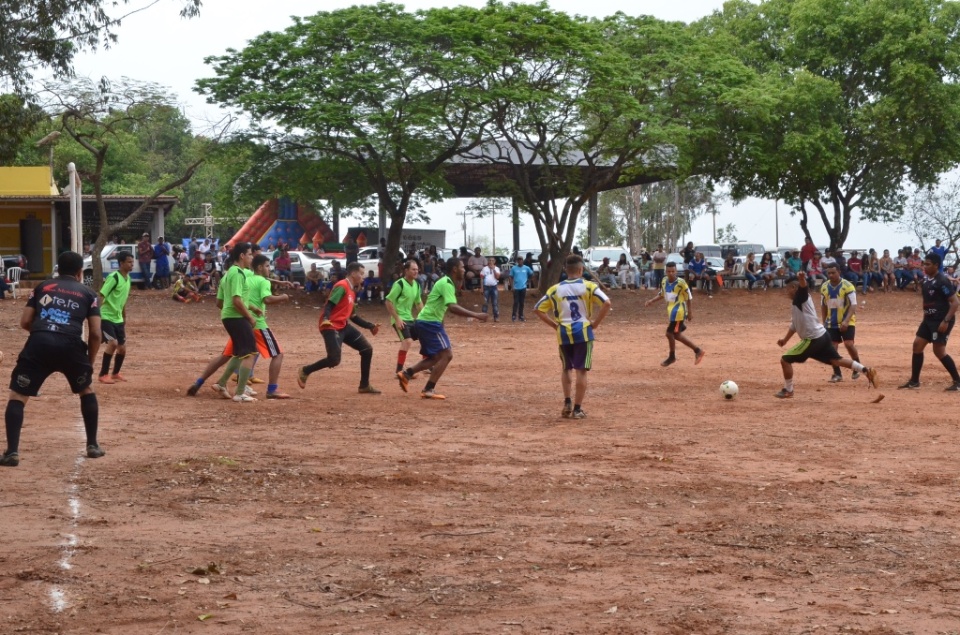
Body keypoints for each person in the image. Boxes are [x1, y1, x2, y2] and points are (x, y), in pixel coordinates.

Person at [1, 251, 105, 467]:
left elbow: (25, 322)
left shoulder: (42, 287)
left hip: (39, 343)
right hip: (71, 346)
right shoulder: (89, 294)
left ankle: (12, 452)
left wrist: (42, 333)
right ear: (79, 272)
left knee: (18, 395)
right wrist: (89, 362)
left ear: (58, 268)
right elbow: (96, 334)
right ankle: (93, 445)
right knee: (86, 390)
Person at [396, 257, 488, 399]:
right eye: (462, 267)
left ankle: (406, 374)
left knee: (435, 357)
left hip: (427, 322)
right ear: (455, 269)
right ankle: (428, 389)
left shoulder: (446, 282)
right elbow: (452, 307)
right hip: (429, 323)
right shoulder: (447, 284)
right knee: (447, 355)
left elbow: (441, 307)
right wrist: (476, 315)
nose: (464, 269)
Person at [775, 271, 878, 398]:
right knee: (836, 360)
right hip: (822, 336)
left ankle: (788, 390)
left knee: (785, 360)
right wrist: (785, 340)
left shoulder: (801, 296)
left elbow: (803, 287)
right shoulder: (797, 303)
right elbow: (794, 325)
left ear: (794, 288)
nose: (786, 292)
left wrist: (802, 279)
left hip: (812, 339)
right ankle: (866, 370)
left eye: (787, 289)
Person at [534, 253, 611, 420]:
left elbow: (538, 309)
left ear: (566, 270)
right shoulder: (589, 286)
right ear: (581, 269)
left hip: (563, 332)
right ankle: (577, 409)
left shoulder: (555, 289)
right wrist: (595, 323)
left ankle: (567, 401)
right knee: (581, 370)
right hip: (583, 331)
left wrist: (555, 325)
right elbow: (607, 303)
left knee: (566, 367)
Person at [297, 262, 382, 394]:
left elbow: (353, 316)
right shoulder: (342, 286)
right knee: (334, 360)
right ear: (353, 274)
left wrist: (370, 326)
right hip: (330, 326)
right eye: (361, 273)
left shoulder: (352, 291)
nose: (362, 277)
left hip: (343, 325)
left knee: (367, 349)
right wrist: (325, 319)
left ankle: (364, 385)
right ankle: (305, 370)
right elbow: (329, 305)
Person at [898, 251, 960, 391]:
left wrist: (945, 321)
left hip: (941, 320)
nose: (924, 267)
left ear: (936, 265)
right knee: (917, 345)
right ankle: (914, 381)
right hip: (928, 320)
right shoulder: (926, 280)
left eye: (927, 264)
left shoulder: (942, 281)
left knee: (939, 351)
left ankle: (958, 381)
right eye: (924, 264)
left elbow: (955, 303)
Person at [210, 242, 260, 403]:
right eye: (250, 254)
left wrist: (249, 308)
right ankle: (240, 392)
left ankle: (222, 383)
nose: (252, 257)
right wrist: (250, 317)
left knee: (240, 353)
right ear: (242, 256)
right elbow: (237, 300)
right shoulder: (238, 273)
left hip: (229, 316)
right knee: (250, 353)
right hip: (237, 317)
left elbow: (220, 302)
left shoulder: (228, 274)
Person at [247, 255, 292, 399]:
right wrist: (283, 297)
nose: (269, 269)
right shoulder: (262, 282)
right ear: (260, 267)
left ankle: (238, 385)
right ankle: (272, 389)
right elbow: (267, 299)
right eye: (267, 266)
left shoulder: (248, 278)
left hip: (245, 321)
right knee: (278, 354)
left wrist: (278, 282)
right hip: (258, 323)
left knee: (246, 354)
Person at [644, 261, 705, 367]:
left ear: (676, 271)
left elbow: (688, 297)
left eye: (673, 271)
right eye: (668, 271)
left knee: (669, 334)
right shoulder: (664, 281)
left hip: (679, 312)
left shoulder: (681, 283)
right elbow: (662, 294)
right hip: (671, 312)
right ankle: (697, 350)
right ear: (665, 271)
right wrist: (651, 301)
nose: (671, 273)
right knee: (676, 335)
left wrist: (690, 312)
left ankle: (672, 356)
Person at [820, 264, 862, 383]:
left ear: (839, 272)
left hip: (847, 321)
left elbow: (853, 305)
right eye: (829, 273)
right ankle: (837, 373)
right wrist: (824, 323)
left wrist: (846, 320)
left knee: (849, 344)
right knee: (832, 348)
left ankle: (857, 366)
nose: (831, 275)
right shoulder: (824, 287)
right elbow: (823, 305)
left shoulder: (848, 286)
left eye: (833, 272)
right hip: (831, 323)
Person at [97, 251, 134, 384]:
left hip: (118, 318)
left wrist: (124, 315)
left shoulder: (128, 279)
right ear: (121, 263)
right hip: (106, 316)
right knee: (112, 343)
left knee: (122, 348)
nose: (132, 265)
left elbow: (122, 299)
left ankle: (115, 373)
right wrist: (96, 314)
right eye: (129, 262)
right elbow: (101, 295)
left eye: (132, 262)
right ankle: (103, 374)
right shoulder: (114, 277)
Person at [384, 259, 424, 374]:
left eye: (417, 269)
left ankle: (426, 364)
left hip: (410, 318)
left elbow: (418, 303)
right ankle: (399, 371)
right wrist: (397, 319)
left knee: (425, 336)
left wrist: (425, 317)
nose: (416, 271)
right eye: (413, 269)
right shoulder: (399, 284)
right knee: (407, 341)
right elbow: (388, 302)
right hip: (400, 319)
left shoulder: (416, 284)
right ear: (406, 271)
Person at [508, 255, 535, 321]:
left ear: (523, 260)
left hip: (523, 287)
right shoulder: (514, 268)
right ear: (517, 261)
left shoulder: (526, 268)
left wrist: (529, 280)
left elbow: (532, 274)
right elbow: (510, 277)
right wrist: (512, 286)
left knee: (522, 302)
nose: (520, 261)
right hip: (516, 288)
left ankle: (521, 316)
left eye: (521, 259)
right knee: (516, 302)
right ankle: (514, 316)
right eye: (518, 260)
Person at [480, 256, 501, 321]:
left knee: (495, 302)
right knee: (485, 303)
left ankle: (496, 317)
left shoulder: (497, 268)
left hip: (494, 287)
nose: (491, 262)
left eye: (492, 260)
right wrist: (481, 288)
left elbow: (497, 277)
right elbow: (481, 279)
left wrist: (493, 269)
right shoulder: (484, 269)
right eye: (489, 260)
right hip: (486, 287)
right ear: (488, 261)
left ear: (494, 262)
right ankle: (483, 317)